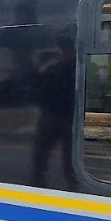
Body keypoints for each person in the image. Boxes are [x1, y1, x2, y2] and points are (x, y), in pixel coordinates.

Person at [32, 37, 79, 190]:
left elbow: (38, 83)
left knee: (63, 152)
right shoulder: (60, 66)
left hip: (59, 116)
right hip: (58, 115)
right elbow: (36, 83)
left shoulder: (68, 66)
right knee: (47, 151)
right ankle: (40, 179)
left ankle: (67, 180)